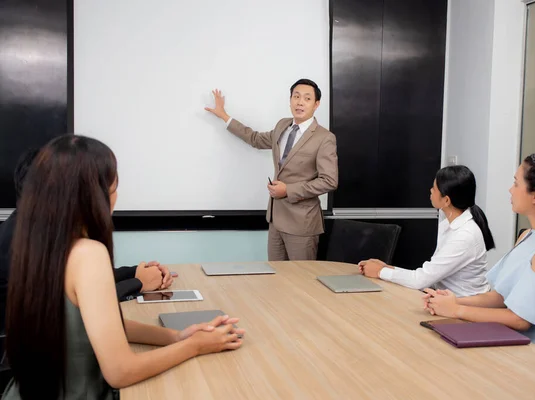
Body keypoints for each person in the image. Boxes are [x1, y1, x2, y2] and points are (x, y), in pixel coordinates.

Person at [3, 135, 244, 399]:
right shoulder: (88, 254)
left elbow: (101, 325)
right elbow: (120, 371)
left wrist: (178, 337)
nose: (117, 194)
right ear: (93, 195)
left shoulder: (36, 243)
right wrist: (196, 346)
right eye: (114, 185)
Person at [424, 149, 535, 355]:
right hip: (514, 344)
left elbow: (520, 319)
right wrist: (452, 300)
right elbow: (501, 297)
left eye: (516, 183)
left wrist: (456, 310)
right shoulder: (527, 235)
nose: (510, 190)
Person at [0, 149, 173, 318]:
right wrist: (139, 283)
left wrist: (136, 272)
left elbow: (81, 282)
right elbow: (73, 307)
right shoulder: (23, 240)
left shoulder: (36, 225)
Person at [205, 79, 338, 261]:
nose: (300, 102)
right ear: (290, 99)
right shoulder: (283, 126)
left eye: (306, 98)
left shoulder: (324, 138)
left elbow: (329, 181)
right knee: (275, 279)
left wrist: (288, 190)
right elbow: (255, 139)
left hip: (302, 224)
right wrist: (224, 116)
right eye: (296, 96)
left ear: (316, 104)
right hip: (276, 219)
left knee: (301, 281)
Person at [359, 165, 495, 297]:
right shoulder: (449, 220)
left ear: (446, 200)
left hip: (463, 309)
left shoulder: (465, 235)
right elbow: (429, 275)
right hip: (445, 301)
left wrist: (380, 272)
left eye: (434, 189)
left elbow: (420, 280)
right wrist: (387, 268)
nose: (430, 190)